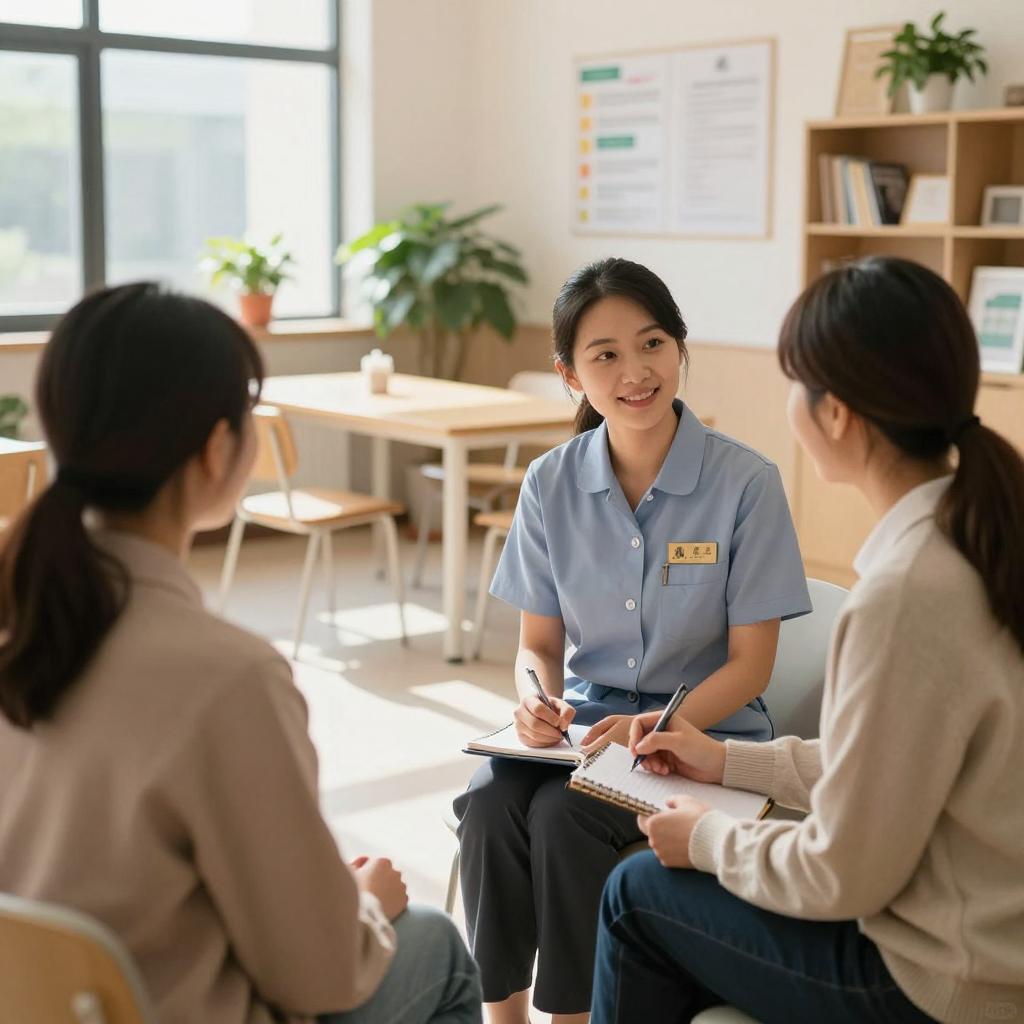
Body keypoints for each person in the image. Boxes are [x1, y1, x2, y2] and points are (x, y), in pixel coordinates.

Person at [0, 283, 482, 1024]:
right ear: (218, 448)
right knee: (434, 945)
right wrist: (366, 907)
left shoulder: (25, 607)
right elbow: (318, 976)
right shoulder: (225, 677)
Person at [591, 256, 1024, 1024]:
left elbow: (840, 873)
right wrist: (725, 760)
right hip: (991, 951)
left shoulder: (905, 595)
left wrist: (710, 839)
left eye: (796, 383)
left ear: (837, 414)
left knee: (636, 895)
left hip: (940, 985)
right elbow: (888, 763)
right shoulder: (981, 536)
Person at [454, 259, 811, 1024]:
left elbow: (752, 666)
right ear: (570, 375)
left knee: (561, 817)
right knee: (488, 801)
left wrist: (660, 726)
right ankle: (501, 1015)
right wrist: (532, 699)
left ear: (680, 349)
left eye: (652, 344)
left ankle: (575, 1018)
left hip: (704, 735)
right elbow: (536, 645)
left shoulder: (745, 484)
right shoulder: (550, 482)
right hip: (584, 730)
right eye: (605, 355)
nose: (635, 371)